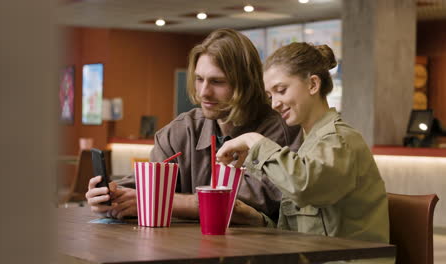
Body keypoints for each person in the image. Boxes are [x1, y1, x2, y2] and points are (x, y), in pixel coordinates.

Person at [85, 29, 302, 225]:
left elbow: (247, 201)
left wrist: (153, 200)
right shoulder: (181, 130)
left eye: (217, 82)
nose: (203, 92)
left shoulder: (282, 130)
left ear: (247, 83)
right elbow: (145, 186)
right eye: (199, 79)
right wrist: (111, 197)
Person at [216, 42, 390, 245]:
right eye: (270, 96)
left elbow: (303, 187)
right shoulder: (310, 143)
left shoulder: (340, 140)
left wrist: (253, 140)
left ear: (313, 85)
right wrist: (257, 220)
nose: (274, 104)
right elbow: (306, 232)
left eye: (281, 90)